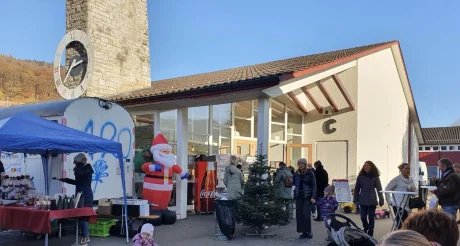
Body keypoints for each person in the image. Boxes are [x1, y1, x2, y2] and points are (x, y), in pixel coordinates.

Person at [58, 153, 94, 245]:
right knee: (81, 216)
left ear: (79, 161)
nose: (75, 165)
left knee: (83, 216)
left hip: (85, 196)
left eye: (75, 163)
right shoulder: (85, 170)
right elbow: (78, 182)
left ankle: (85, 237)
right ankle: (85, 236)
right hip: (82, 195)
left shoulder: (86, 169)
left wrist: (78, 166)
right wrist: (66, 180)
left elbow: (79, 175)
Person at [353, 160, 384, 237]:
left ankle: (370, 232)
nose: (365, 167)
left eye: (367, 166)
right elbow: (357, 189)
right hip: (362, 199)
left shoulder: (375, 177)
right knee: (363, 217)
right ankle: (365, 227)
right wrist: (355, 199)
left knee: (371, 217)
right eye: (364, 166)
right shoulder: (360, 177)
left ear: (371, 167)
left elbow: (379, 189)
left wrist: (381, 199)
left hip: (372, 200)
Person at [385, 163, 416, 229]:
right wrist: (389, 201)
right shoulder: (396, 179)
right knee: (400, 222)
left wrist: (413, 191)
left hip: (408, 205)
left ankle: (404, 236)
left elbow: (415, 192)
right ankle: (398, 236)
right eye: (406, 168)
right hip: (398, 204)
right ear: (401, 170)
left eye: (409, 169)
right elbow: (387, 189)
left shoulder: (411, 180)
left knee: (407, 223)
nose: (408, 170)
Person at [293, 158, 317, 239]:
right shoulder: (296, 174)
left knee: (306, 214)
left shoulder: (310, 174)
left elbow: (314, 186)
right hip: (299, 196)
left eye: (302, 163)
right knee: (299, 214)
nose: (300, 165)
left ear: (305, 164)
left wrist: (313, 196)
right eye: (299, 163)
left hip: (307, 196)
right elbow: (293, 184)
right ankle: (303, 232)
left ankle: (309, 231)